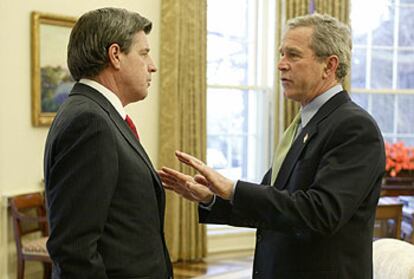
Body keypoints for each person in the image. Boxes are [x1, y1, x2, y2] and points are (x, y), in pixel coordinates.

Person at [160, 13, 385, 279]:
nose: (281, 64)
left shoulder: (354, 127)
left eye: (293, 55)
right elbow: (275, 206)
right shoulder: (303, 124)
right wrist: (211, 197)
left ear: (329, 65)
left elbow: (321, 212)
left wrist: (233, 189)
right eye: (281, 54)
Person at [44, 7, 173, 279]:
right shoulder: (90, 122)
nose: (152, 65)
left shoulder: (95, 113)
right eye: (143, 53)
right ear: (115, 55)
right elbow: (74, 250)